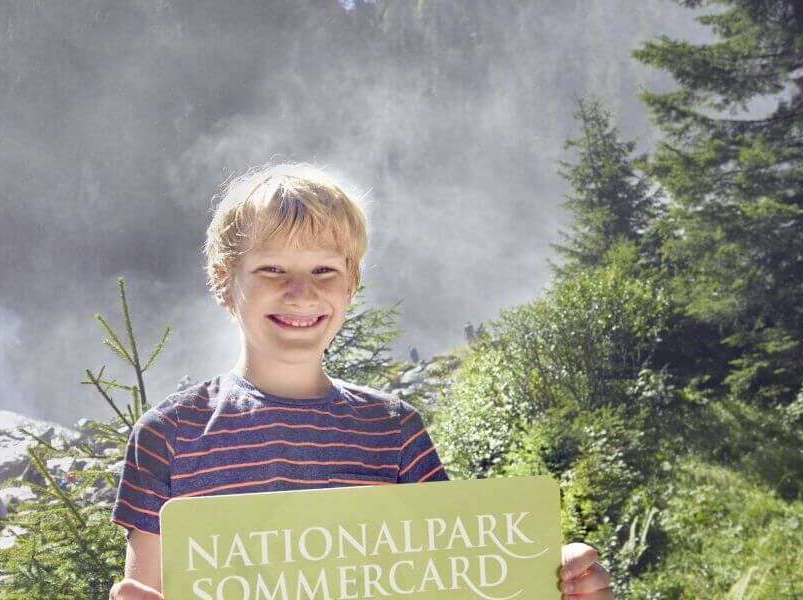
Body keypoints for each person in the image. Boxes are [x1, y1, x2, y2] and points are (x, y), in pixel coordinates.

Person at [108, 164, 613, 600]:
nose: (300, 292)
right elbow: (149, 587)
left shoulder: (394, 431)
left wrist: (555, 582)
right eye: (272, 268)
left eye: (324, 270)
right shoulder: (167, 438)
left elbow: (461, 579)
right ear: (224, 280)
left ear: (351, 284)